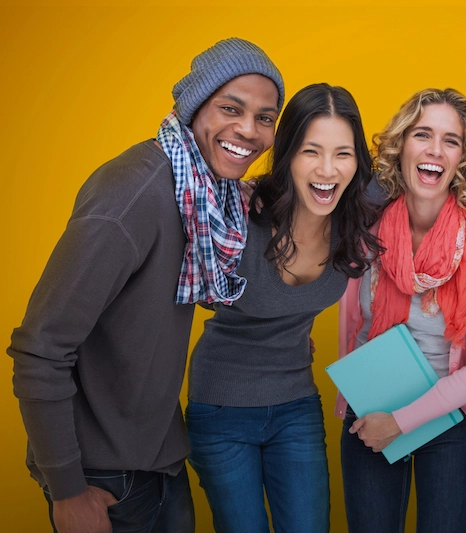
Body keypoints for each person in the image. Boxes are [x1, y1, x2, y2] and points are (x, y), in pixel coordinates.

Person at [7, 38, 285, 533]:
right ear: (193, 105)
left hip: (159, 461)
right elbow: (41, 348)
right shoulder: (135, 192)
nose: (249, 130)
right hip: (99, 475)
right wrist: (68, 490)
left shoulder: (209, 196)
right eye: (231, 108)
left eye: (265, 118)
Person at [185, 83, 382, 533]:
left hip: (295, 402)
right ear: (288, 152)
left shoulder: (359, 212)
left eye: (343, 153)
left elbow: (435, 187)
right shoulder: (239, 210)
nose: (328, 170)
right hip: (221, 406)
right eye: (311, 151)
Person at [334, 88, 466, 533]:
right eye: (422, 134)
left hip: (450, 424)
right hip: (372, 412)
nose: (434, 150)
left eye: (450, 141)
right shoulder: (364, 232)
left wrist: (402, 421)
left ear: (463, 158)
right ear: (402, 145)